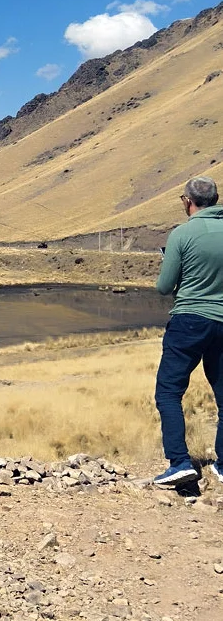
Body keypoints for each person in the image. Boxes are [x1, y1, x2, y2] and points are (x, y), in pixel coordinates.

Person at [153, 176, 223, 487]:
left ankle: (180, 462)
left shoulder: (182, 234)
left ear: (187, 201)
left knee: (169, 391)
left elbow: (164, 287)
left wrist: (171, 263)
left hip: (189, 321)